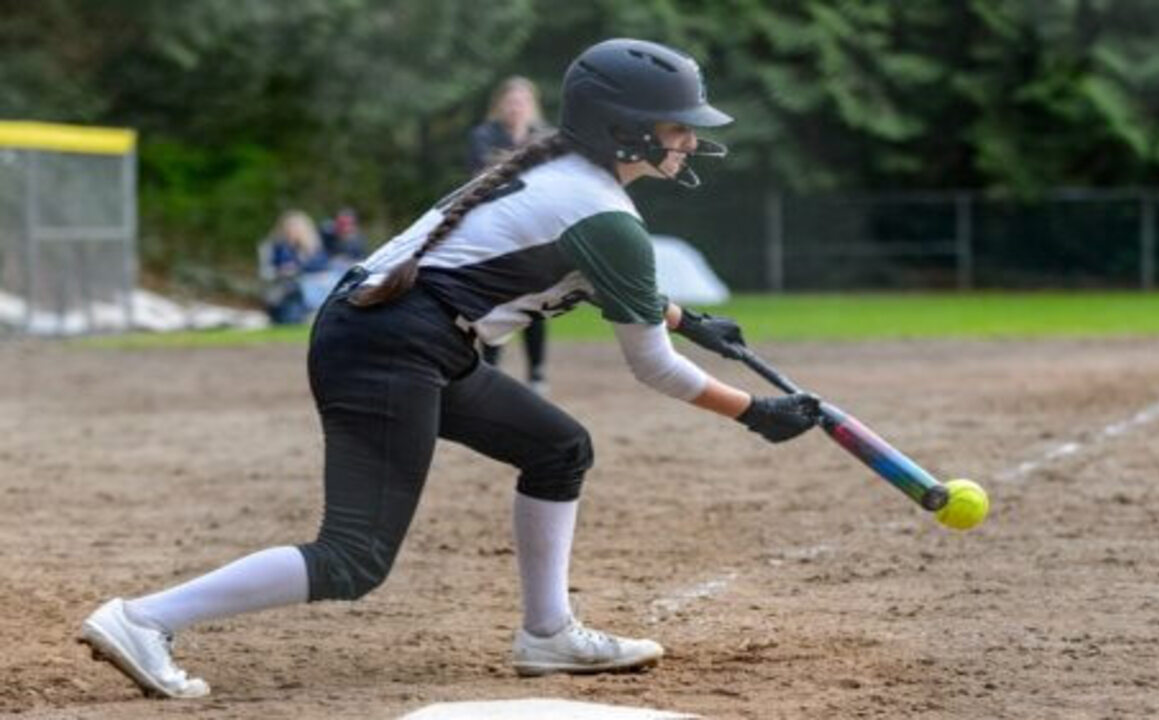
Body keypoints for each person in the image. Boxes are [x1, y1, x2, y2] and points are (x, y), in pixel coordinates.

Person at [79, 38, 821, 699]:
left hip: (399, 334)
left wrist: (688, 319)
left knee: (558, 448)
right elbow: (653, 369)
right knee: (354, 557)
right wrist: (752, 411)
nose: (689, 139)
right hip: (392, 344)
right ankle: (142, 619)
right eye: (676, 124)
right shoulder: (605, 214)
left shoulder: (562, 172)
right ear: (622, 127)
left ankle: (547, 633)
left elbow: (575, 274)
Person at [467, 76, 552, 393]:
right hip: (497, 228)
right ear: (500, 105)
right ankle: (489, 371)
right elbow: (485, 179)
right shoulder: (483, 136)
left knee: (537, 300)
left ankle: (537, 374)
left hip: (535, 231)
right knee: (495, 299)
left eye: (522, 102)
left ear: (532, 107)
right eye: (511, 102)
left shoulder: (545, 138)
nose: (516, 108)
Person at [261, 210, 333, 325]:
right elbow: (267, 272)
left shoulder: (314, 248)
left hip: (312, 286)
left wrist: (301, 262)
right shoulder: (277, 247)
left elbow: (323, 267)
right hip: (285, 288)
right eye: (290, 228)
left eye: (297, 228)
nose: (293, 231)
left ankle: (315, 313)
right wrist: (282, 271)